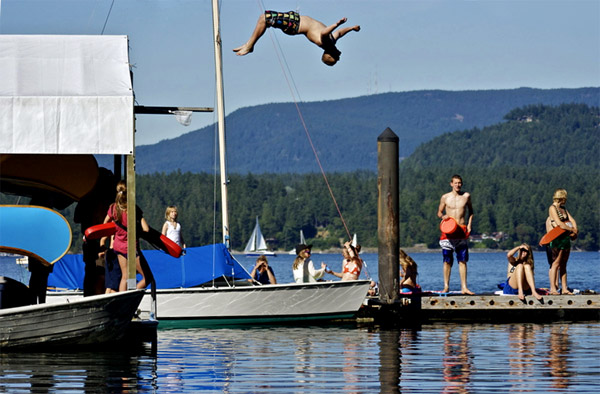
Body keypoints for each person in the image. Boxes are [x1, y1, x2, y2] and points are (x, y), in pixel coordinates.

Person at [233, 10, 360, 66]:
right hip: (295, 20)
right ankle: (249, 44)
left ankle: (249, 46)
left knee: (264, 19)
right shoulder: (332, 42)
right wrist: (352, 28)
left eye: (337, 57)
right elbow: (340, 33)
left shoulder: (326, 43)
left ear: (330, 54)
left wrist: (337, 23)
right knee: (264, 19)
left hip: (294, 25)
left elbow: (324, 33)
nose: (340, 55)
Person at [99, 180, 154, 292]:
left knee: (125, 276)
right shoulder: (133, 209)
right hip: (132, 248)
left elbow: (105, 224)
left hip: (118, 247)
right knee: (147, 277)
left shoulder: (113, 208)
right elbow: (146, 229)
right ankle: (130, 293)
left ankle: (122, 299)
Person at [437, 174, 474, 295]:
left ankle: (464, 287)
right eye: (455, 183)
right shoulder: (445, 197)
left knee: (462, 260)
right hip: (448, 231)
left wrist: (469, 224)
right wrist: (443, 216)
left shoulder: (466, 196)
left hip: (461, 230)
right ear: (451, 184)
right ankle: (446, 286)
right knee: (447, 260)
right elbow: (439, 212)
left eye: (459, 183)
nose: (458, 185)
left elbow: (471, 211)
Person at [547, 188, 578, 295]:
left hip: (565, 238)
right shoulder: (552, 208)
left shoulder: (563, 209)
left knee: (564, 264)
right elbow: (559, 223)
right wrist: (571, 229)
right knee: (555, 263)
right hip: (557, 239)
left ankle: (564, 288)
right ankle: (553, 288)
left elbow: (572, 220)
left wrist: (575, 230)